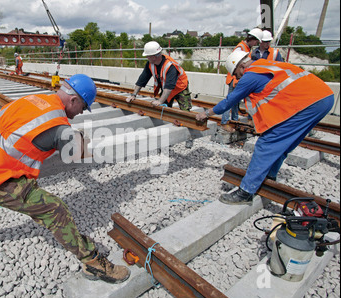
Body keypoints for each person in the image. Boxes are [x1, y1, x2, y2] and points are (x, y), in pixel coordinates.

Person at [0, 74, 130, 284]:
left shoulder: (34, 99)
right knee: (56, 210)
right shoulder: (59, 126)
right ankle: (93, 262)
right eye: (83, 107)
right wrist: (80, 140)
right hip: (0, 179)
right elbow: (73, 155)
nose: (81, 112)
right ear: (74, 100)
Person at [196, 51, 334, 205]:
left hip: (309, 103)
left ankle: (246, 192)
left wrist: (206, 113)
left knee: (267, 143)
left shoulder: (250, 76)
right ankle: (269, 178)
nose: (238, 78)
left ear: (241, 67)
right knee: (283, 143)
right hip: (323, 97)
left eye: (237, 75)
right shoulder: (263, 64)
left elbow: (228, 102)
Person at [126, 41, 192, 111]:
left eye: (148, 56)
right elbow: (142, 80)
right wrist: (133, 95)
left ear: (154, 57)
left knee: (185, 112)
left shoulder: (170, 66)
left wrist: (160, 101)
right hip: (167, 88)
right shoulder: (150, 64)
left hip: (180, 88)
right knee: (162, 109)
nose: (147, 58)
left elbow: (169, 87)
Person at [222, 28, 263, 133]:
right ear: (252, 39)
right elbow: (234, 65)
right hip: (235, 78)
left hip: (239, 78)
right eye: (256, 41)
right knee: (230, 101)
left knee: (235, 102)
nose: (256, 44)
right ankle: (225, 123)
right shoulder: (241, 48)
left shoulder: (246, 48)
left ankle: (234, 122)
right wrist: (237, 80)